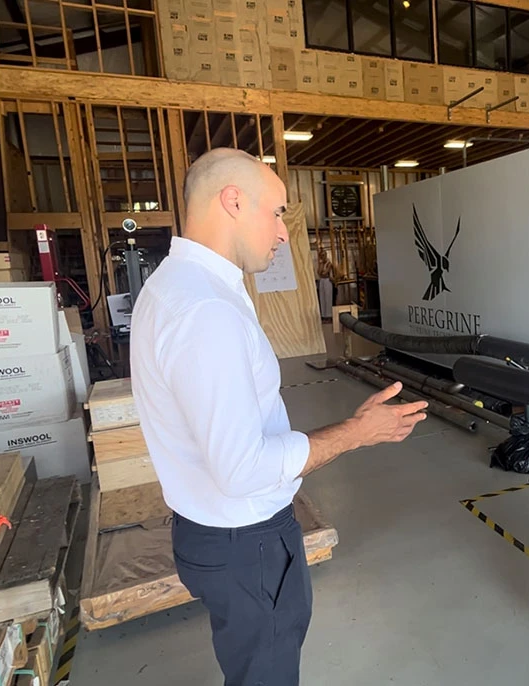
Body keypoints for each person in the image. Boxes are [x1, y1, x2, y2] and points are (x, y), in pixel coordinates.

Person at [130, 148, 428, 686]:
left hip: (217, 537)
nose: (284, 232)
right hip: (248, 547)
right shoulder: (206, 311)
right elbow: (242, 470)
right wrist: (357, 435)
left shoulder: (177, 287)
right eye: (276, 212)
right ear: (234, 201)